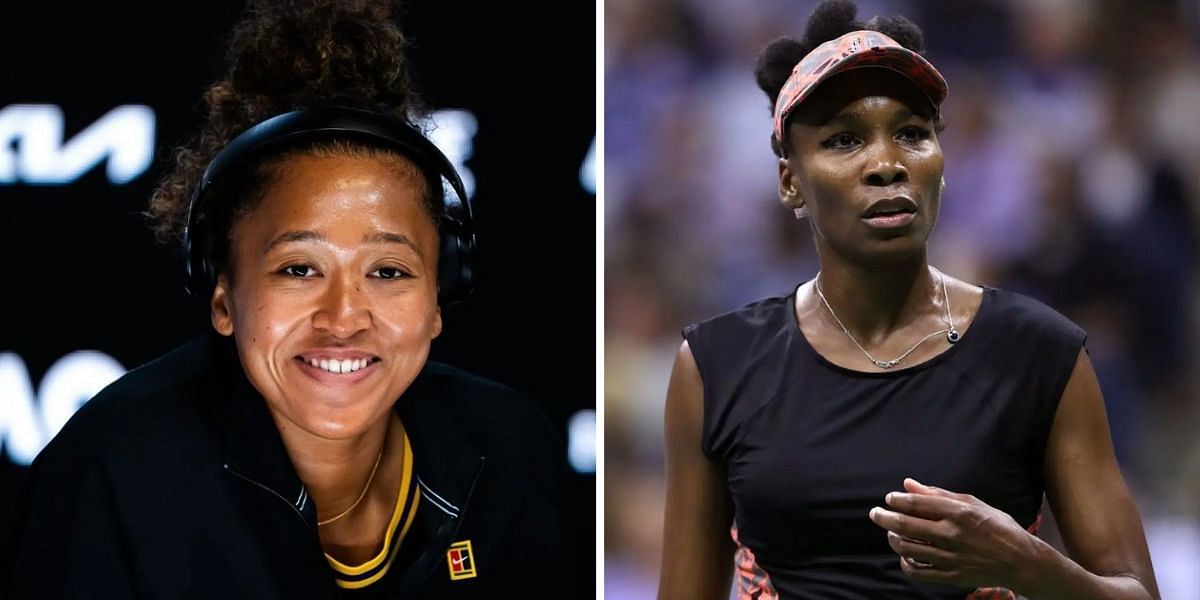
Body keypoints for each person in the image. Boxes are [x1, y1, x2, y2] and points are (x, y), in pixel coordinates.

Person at [0, 1, 565, 597]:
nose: (343, 318)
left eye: (388, 271)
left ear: (441, 292)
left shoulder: (515, 455)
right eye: (299, 268)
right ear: (221, 292)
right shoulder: (109, 476)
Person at [657, 1, 1160, 598]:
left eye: (913, 134)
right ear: (790, 180)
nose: (887, 164)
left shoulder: (1040, 352)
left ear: (942, 167)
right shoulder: (716, 364)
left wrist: (1028, 564)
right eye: (844, 139)